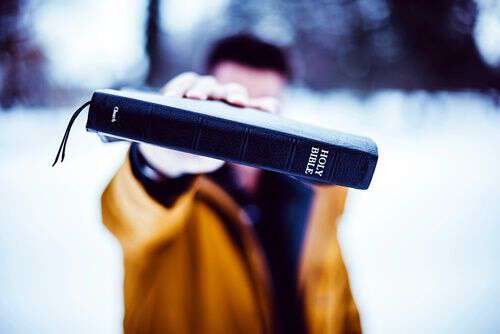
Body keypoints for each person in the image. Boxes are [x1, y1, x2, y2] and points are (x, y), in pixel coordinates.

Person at [101, 34, 361, 333]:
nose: (249, 122)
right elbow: (128, 216)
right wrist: (158, 163)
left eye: (263, 108)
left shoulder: (315, 196)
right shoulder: (172, 196)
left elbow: (342, 308)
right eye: (236, 105)